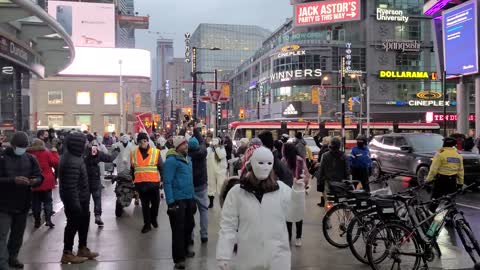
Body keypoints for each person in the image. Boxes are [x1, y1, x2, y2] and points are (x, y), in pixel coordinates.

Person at [216, 147, 305, 270]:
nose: (265, 167)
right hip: (248, 260)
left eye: (269, 163)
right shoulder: (237, 192)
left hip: (278, 260)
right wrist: (223, 255)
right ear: (252, 164)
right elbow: (228, 225)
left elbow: (295, 215)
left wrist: (298, 193)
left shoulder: (281, 189)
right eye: (261, 162)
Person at [0, 132, 43, 269]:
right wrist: (13, 180)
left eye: (24, 147)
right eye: (20, 146)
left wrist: (34, 181)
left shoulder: (30, 158)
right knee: (2, 235)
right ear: (13, 145)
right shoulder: (2, 158)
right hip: (3, 204)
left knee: (17, 235)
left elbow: (39, 176)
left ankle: (13, 257)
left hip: (23, 203)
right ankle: (2, 262)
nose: (22, 149)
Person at [59, 132, 97, 264]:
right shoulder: (71, 161)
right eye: (84, 142)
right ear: (78, 145)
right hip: (75, 201)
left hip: (82, 199)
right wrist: (75, 205)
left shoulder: (76, 157)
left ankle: (82, 248)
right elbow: (70, 186)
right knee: (73, 224)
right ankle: (67, 253)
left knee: (83, 222)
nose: (86, 144)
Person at [163, 136, 196, 270]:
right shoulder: (171, 161)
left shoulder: (186, 159)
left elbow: (189, 180)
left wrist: (193, 198)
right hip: (178, 199)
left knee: (189, 225)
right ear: (177, 147)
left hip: (188, 198)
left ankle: (186, 249)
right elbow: (167, 182)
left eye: (186, 144)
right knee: (178, 229)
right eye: (183, 144)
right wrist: (170, 202)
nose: (186, 146)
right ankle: (179, 258)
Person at [130, 132, 163, 233]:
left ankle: (153, 218)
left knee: (156, 204)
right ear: (138, 143)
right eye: (140, 141)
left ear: (147, 141)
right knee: (145, 205)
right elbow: (132, 169)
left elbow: (161, 167)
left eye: (144, 141)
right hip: (141, 184)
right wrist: (133, 183)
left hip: (154, 184)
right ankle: (147, 224)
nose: (143, 143)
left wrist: (162, 181)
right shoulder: (134, 153)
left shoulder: (155, 152)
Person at [84, 140, 118, 226]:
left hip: (84, 179)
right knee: (97, 199)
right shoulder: (96, 152)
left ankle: (85, 217)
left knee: (85, 200)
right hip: (95, 178)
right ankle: (97, 216)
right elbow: (109, 158)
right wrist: (116, 152)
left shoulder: (82, 151)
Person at [282, 143, 310, 247]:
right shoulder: (300, 160)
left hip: (287, 190)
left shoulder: (284, 161)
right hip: (299, 190)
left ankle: (288, 237)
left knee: (288, 214)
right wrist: (304, 185)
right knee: (298, 214)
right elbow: (306, 175)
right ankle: (298, 238)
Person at [27, 139, 59, 229]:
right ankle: (48, 220)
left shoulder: (28, 153)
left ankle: (37, 221)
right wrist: (55, 153)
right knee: (47, 201)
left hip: (33, 180)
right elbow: (55, 162)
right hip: (46, 180)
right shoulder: (47, 152)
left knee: (35, 202)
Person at [426, 137, 464, 212]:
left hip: (441, 180)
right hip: (452, 182)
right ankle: (449, 220)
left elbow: (433, 169)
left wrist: (428, 180)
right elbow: (461, 171)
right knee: (450, 203)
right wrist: (460, 183)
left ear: (445, 143)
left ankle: (430, 220)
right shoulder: (458, 155)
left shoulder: (440, 154)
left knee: (434, 201)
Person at [316, 137, 350, 206]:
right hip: (340, 182)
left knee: (329, 201)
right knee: (341, 200)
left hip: (328, 182)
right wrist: (348, 180)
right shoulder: (344, 156)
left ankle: (329, 212)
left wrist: (319, 182)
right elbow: (347, 170)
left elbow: (321, 170)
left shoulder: (325, 155)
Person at [188, 134, 209, 243]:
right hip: (201, 186)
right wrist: (197, 132)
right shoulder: (202, 153)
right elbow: (203, 144)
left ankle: (191, 236)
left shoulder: (187, 155)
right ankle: (204, 235)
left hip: (190, 187)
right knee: (204, 210)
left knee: (190, 212)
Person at [207, 137, 228, 208]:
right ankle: (211, 202)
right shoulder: (209, 149)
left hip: (220, 170)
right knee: (211, 186)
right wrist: (210, 148)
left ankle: (222, 201)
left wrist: (217, 148)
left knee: (221, 186)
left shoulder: (222, 149)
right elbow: (205, 156)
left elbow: (221, 156)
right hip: (211, 170)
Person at [316, 136, 331, 207]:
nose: (322, 141)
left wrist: (319, 164)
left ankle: (327, 202)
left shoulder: (326, 149)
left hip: (324, 170)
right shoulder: (324, 147)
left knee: (324, 187)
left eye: (323, 140)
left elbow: (325, 161)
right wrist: (316, 137)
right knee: (322, 187)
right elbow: (318, 144)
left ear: (326, 141)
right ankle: (324, 202)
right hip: (322, 168)